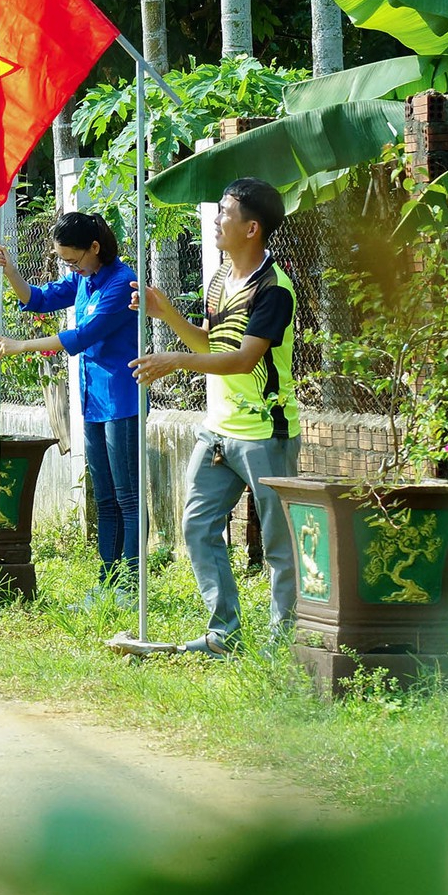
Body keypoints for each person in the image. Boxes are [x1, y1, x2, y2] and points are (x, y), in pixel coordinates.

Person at [131, 177, 300, 656]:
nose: (215, 219)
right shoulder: (220, 278)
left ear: (251, 228)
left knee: (279, 547)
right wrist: (166, 316)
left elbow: (244, 359)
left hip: (268, 433)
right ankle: (224, 633)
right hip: (217, 431)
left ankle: (280, 644)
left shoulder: (274, 290)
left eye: (224, 212)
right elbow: (210, 345)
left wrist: (175, 361)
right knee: (197, 527)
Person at [0, 210, 141, 595]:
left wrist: (21, 346)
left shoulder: (121, 284)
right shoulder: (83, 279)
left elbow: (81, 336)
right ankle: (108, 584)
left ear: (95, 247)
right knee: (104, 499)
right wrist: (9, 270)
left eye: (73, 259)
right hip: (93, 402)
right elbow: (38, 299)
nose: (69, 267)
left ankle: (131, 586)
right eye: (64, 261)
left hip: (122, 402)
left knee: (127, 498)